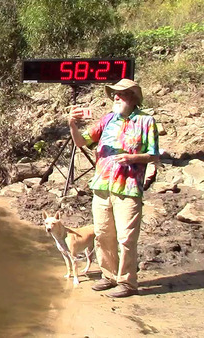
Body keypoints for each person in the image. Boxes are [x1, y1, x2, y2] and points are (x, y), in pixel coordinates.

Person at [68, 79, 159, 298]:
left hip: (127, 188)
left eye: (121, 94)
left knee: (126, 238)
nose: (115, 98)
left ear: (132, 98)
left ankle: (127, 283)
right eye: (114, 95)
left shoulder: (146, 121)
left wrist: (133, 157)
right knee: (102, 235)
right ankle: (108, 276)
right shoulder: (107, 119)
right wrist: (72, 124)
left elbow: (154, 155)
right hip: (101, 186)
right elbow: (81, 142)